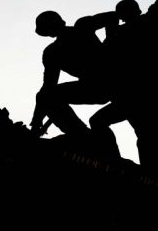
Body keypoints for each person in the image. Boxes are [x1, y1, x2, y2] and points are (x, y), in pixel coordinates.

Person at [30, 9, 119, 140]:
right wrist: (37, 120)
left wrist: (111, 45)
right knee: (46, 96)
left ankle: (83, 137)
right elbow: (48, 86)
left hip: (112, 81)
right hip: (91, 88)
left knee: (46, 96)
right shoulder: (52, 53)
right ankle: (83, 136)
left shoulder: (83, 27)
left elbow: (112, 17)